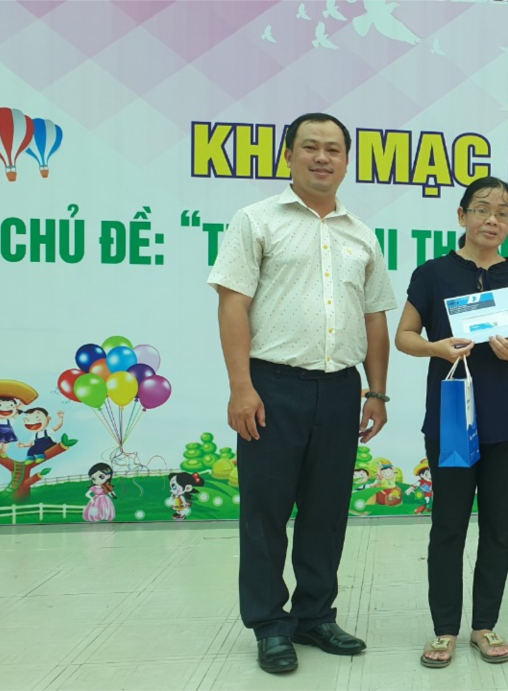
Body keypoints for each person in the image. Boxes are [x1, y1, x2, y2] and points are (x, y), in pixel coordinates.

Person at [208, 112, 397, 674]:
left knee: (326, 510)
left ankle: (315, 616)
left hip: (340, 389)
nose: (322, 157)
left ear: (346, 160)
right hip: (272, 386)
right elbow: (233, 304)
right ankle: (269, 624)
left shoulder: (360, 233)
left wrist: (377, 392)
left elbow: (375, 316)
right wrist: (241, 387)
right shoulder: (256, 220)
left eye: (333, 149)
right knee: (265, 512)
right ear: (288, 154)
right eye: (310, 146)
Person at [395, 176, 508, 668]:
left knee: (499, 526)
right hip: (453, 419)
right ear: (461, 216)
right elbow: (404, 336)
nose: (491, 219)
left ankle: (485, 624)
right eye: (481, 209)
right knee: (448, 525)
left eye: (502, 212)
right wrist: (436, 348)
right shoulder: (433, 274)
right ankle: (444, 629)